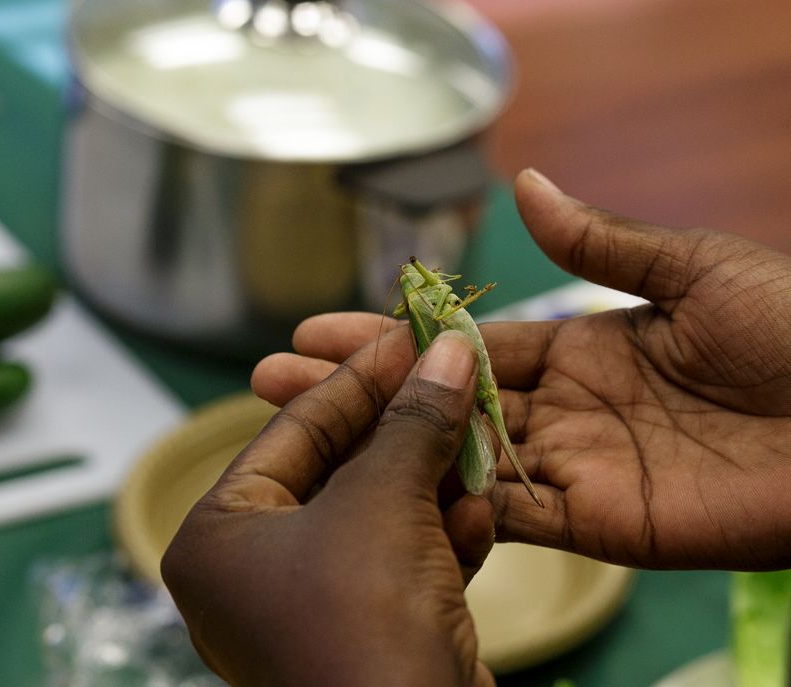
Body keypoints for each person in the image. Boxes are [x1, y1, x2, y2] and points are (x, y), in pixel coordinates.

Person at [161, 168, 791, 687]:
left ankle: (502, 462)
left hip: (476, 379)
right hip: (461, 379)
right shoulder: (422, 304)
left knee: (481, 418)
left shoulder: (436, 295)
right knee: (474, 428)